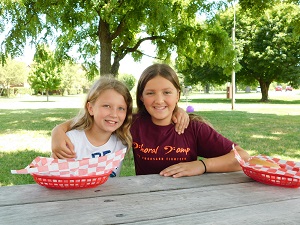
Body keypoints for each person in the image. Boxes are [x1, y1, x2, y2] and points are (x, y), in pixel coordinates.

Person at [52, 64, 250, 178]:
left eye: (167, 93)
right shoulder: (133, 124)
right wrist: (58, 131)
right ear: (141, 98)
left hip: (190, 201)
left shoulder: (193, 128)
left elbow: (243, 158)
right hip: (146, 201)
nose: (159, 100)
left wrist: (201, 166)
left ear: (178, 95)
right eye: (150, 93)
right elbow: (99, 117)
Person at [56, 76, 133, 177]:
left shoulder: (122, 142)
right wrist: (57, 130)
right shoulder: (71, 141)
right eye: (107, 106)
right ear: (91, 108)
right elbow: (55, 176)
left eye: (121, 108)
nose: (114, 114)